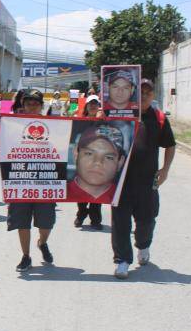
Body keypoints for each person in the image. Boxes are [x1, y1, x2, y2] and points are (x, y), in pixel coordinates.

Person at [112, 79, 176, 279]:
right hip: (120, 181)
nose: (145, 95)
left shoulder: (159, 119)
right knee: (120, 222)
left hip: (147, 181)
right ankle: (122, 261)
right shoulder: (118, 115)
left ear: (153, 95)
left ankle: (143, 246)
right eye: (141, 91)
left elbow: (170, 145)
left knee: (147, 220)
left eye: (149, 91)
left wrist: (165, 169)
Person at [6, 89, 55, 271]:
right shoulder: (13, 125)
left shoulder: (54, 124)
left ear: (41, 106)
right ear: (23, 105)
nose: (32, 106)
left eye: (35, 103)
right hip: (20, 180)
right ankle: (26, 256)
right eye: (28, 103)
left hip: (45, 181)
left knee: (46, 222)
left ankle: (42, 242)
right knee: (21, 221)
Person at [67, 123, 126, 203]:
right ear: (76, 154)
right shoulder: (57, 194)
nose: (98, 162)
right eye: (89, 154)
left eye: (109, 157)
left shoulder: (128, 200)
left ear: (120, 162)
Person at [75, 95, 105, 229]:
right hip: (84, 161)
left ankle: (96, 220)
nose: (93, 106)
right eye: (90, 104)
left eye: (95, 103)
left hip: (99, 162)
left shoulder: (106, 123)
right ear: (86, 106)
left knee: (97, 193)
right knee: (81, 192)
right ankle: (81, 214)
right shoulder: (79, 122)